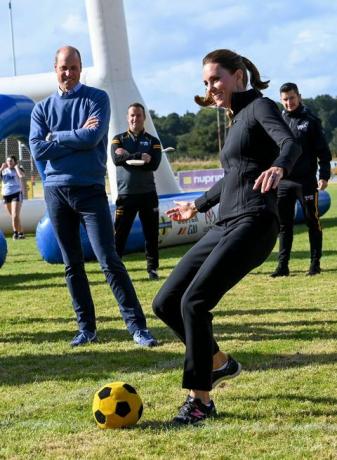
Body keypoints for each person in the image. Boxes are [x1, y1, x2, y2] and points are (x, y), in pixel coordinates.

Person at [152, 49, 301, 425]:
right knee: (167, 302)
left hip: (254, 222)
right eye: (205, 82)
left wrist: (280, 167)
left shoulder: (261, 108)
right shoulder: (236, 121)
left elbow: (291, 143)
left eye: (215, 79)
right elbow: (234, 175)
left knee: (194, 303)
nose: (210, 87)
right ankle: (218, 363)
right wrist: (196, 206)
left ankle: (200, 401)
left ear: (239, 76)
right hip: (224, 223)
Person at [29, 46, 157, 348]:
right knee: (72, 264)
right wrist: (71, 138)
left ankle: (137, 328)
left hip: (90, 191)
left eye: (73, 67)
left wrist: (55, 137)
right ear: (55, 68)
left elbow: (93, 137)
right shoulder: (41, 109)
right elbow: (36, 148)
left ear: (81, 67)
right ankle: (86, 328)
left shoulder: (96, 98)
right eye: (63, 67)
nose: (68, 73)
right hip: (55, 192)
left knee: (109, 260)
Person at [271, 82, 331, 277]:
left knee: (312, 221)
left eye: (292, 98)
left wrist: (323, 175)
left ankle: (315, 264)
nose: (289, 102)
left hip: (306, 182)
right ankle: (282, 267)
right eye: (285, 99)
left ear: (299, 97)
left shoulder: (310, 120)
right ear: (281, 100)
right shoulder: (277, 120)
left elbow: (323, 152)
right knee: (284, 225)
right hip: (283, 182)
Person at [111, 103, 162, 280]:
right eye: (132, 115)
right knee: (119, 234)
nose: (135, 119)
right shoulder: (118, 139)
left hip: (148, 194)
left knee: (151, 233)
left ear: (144, 118)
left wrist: (127, 155)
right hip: (126, 195)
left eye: (138, 115)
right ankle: (115, 269)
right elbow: (116, 159)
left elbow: (154, 164)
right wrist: (139, 156)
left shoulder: (153, 141)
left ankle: (153, 269)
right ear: (127, 117)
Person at [1, 155, 25, 240]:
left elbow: (21, 176)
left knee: (15, 215)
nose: (9, 162)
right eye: (8, 161)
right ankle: (21, 232)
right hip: (6, 195)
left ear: (15, 162)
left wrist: (16, 167)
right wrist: (1, 168)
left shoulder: (18, 169)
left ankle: (15, 233)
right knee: (13, 216)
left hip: (16, 193)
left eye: (11, 161)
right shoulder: (4, 171)